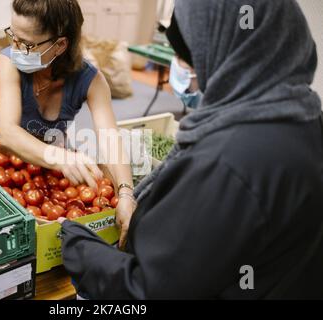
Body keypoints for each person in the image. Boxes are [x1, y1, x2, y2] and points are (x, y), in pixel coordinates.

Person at [58, 0, 323, 299]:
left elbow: (150, 289)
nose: (180, 69)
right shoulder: (304, 114)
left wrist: (79, 247)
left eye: (188, 58)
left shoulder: (227, 161)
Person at [0, 0, 135, 246]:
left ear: (60, 45)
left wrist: (125, 193)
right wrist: (60, 157)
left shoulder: (92, 81)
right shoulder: (8, 63)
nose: (15, 48)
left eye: (26, 44)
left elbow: (111, 138)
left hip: (40, 164)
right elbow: (6, 132)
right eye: (12, 36)